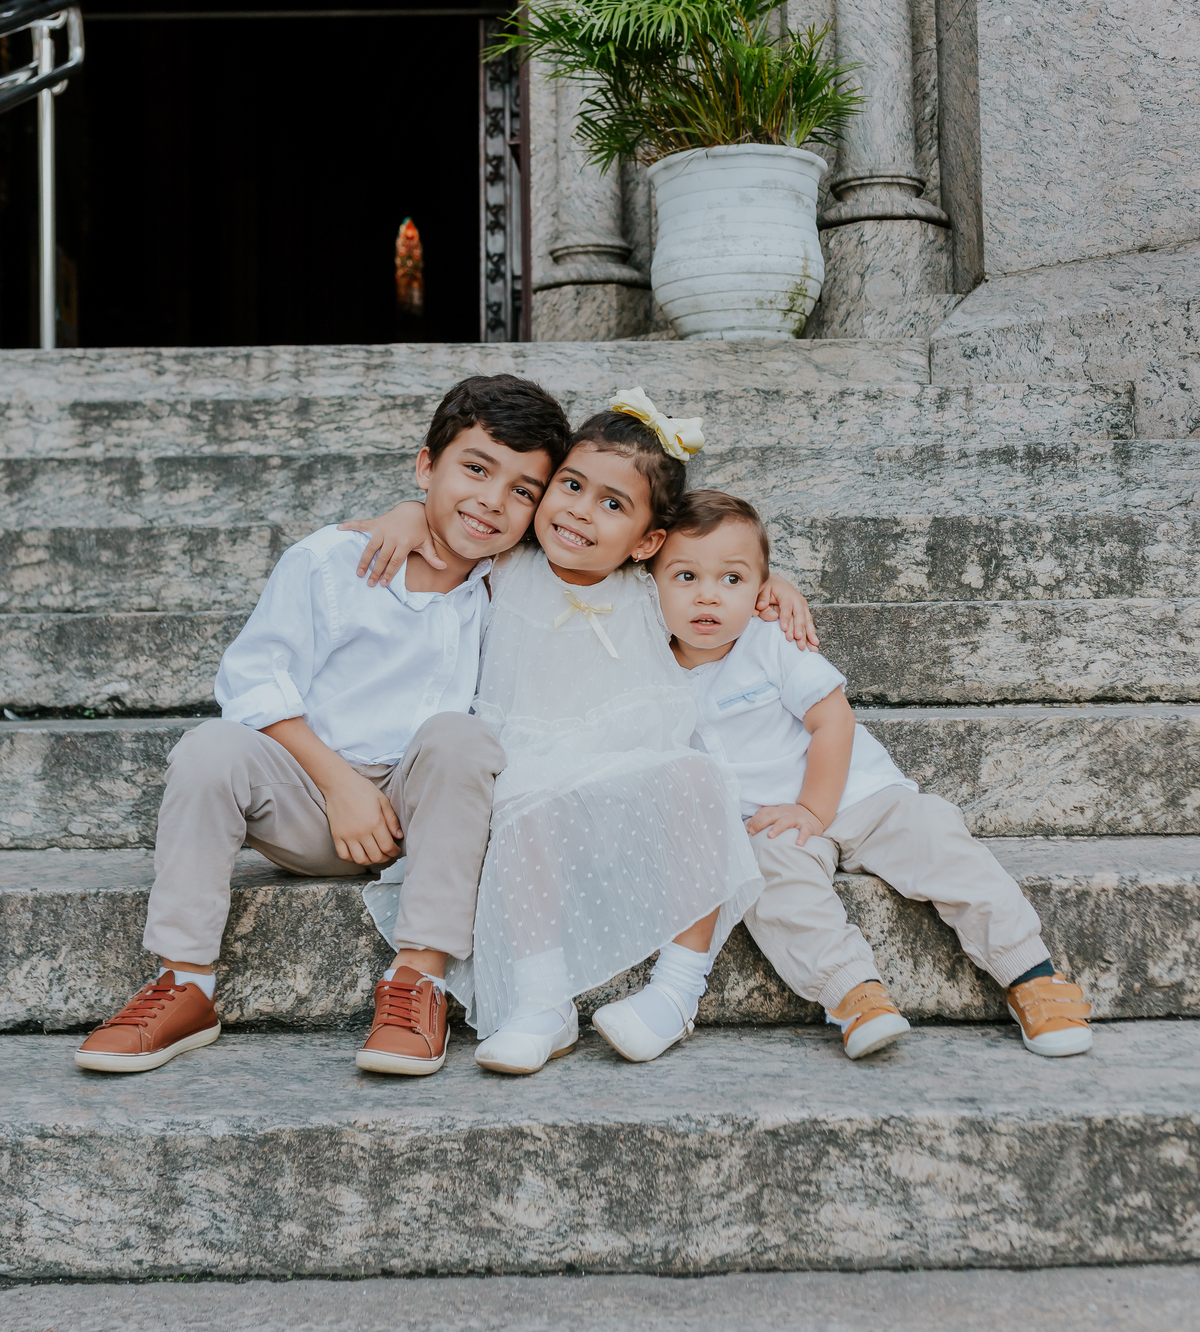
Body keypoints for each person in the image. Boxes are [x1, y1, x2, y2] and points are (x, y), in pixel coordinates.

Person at [73, 373, 572, 1078]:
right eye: (476, 468)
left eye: (523, 489)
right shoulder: (332, 561)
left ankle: (418, 979)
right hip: (310, 798)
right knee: (209, 749)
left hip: (426, 808)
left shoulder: (510, 580)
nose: (493, 500)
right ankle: (186, 983)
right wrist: (338, 784)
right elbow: (250, 680)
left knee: (459, 738)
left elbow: (629, 557)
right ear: (426, 465)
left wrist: (760, 586)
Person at [359, 390, 814, 1075]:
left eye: (612, 504)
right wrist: (402, 509)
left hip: (630, 764)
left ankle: (675, 991)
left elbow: (713, 572)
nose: (578, 510)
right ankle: (543, 1002)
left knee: (701, 778)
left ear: (648, 540)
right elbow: (447, 526)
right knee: (519, 803)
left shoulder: (649, 583)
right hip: (532, 766)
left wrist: (770, 583)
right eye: (570, 485)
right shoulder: (509, 564)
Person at [642, 488, 1094, 1062]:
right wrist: (798, 822)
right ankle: (855, 995)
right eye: (685, 577)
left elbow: (833, 720)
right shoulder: (649, 666)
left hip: (861, 795)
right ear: (648, 580)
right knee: (769, 880)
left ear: (763, 590)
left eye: (731, 580)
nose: (709, 595)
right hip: (773, 821)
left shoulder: (772, 640)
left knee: (939, 841)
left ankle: (1031, 976)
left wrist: (814, 808)